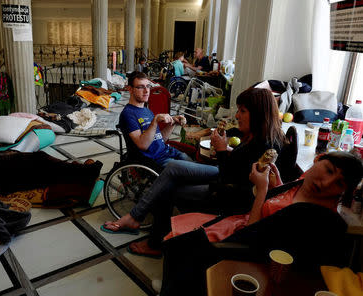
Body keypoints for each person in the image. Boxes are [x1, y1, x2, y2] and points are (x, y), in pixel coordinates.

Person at [103, 88, 286, 257]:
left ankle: (153, 241)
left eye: (242, 111)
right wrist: (226, 151)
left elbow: (232, 177)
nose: (237, 115)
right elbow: (239, 167)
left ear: (259, 114)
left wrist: (222, 151)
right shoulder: (257, 135)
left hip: (228, 195)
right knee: (173, 168)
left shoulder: (266, 145)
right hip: (224, 177)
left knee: (167, 189)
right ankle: (136, 217)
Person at [159, 151, 363, 296]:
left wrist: (263, 190)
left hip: (244, 248)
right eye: (328, 170)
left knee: (182, 247)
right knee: (177, 241)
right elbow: (285, 202)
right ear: (318, 160)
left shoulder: (314, 217)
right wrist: (278, 186)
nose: (326, 182)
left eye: (339, 183)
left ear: (344, 192)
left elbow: (252, 237)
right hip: (239, 224)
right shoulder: (303, 181)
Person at [119, 71, 191, 167]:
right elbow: (143, 145)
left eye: (148, 86)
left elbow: (160, 139)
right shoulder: (128, 114)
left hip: (167, 152)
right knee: (202, 173)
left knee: (196, 163)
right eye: (140, 87)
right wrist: (155, 120)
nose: (146, 90)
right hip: (154, 160)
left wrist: (173, 123)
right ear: (130, 89)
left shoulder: (147, 111)